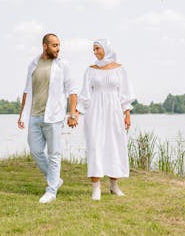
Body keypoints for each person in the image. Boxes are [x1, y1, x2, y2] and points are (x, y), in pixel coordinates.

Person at [18, 33, 79, 204]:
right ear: (45, 46)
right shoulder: (33, 64)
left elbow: (72, 90)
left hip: (54, 116)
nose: (58, 48)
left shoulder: (63, 65)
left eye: (59, 45)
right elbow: (26, 90)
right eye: (54, 45)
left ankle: (51, 190)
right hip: (35, 115)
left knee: (54, 154)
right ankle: (55, 179)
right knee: (35, 151)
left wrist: (73, 114)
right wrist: (22, 114)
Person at [77, 39, 135, 200]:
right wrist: (77, 113)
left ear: (106, 49)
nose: (94, 52)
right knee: (95, 145)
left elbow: (125, 94)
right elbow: (85, 94)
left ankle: (114, 185)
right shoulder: (90, 70)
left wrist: (127, 114)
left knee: (114, 145)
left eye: (97, 48)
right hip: (94, 111)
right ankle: (96, 188)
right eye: (93, 49)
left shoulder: (120, 69)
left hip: (114, 111)